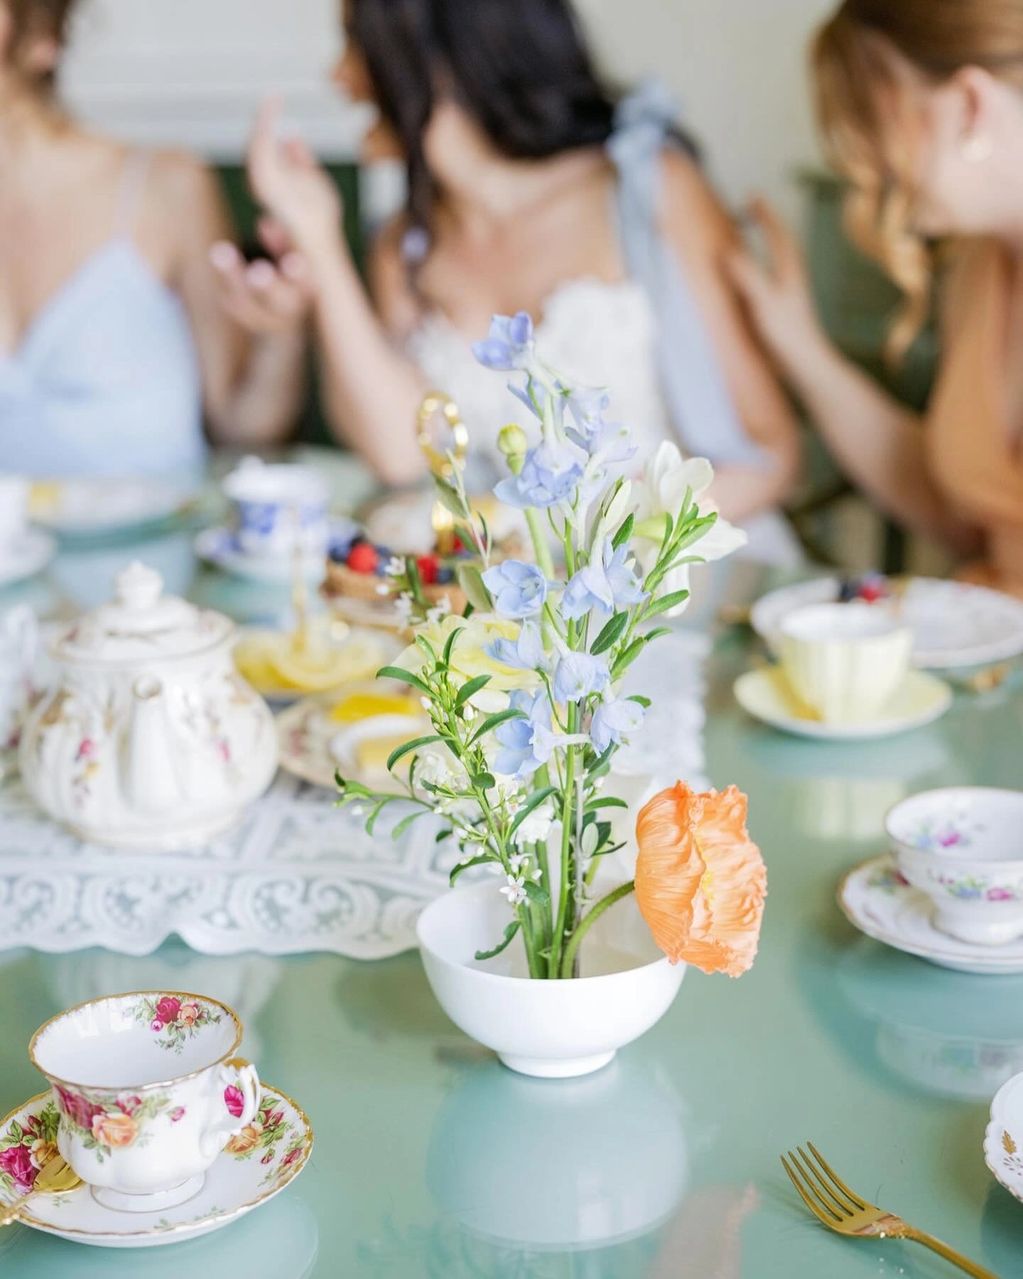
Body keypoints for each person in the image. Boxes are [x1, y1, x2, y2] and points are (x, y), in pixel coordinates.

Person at [216, 0, 801, 562]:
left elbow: (768, 455)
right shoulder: (407, 247)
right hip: (519, 604)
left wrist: (608, 565)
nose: (340, 76)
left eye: (356, 42)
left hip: (683, 570)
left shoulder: (653, 193)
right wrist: (319, 242)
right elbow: (399, 453)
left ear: (433, 55)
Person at [729, 0, 1023, 592]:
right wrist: (798, 343)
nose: (867, 172)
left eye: (876, 121)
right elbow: (970, 518)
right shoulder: (978, 271)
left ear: (970, 105)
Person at [0, 0, 308, 479]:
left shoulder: (168, 185)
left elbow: (244, 426)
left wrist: (280, 334)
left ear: (44, 39)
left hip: (154, 553)